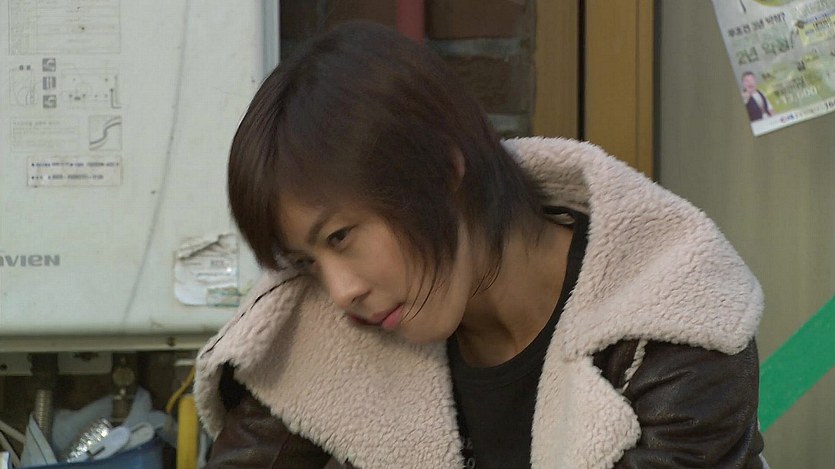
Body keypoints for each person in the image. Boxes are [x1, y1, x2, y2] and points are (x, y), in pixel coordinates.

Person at [194, 22, 766, 468]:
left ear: (442, 172)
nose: (342, 292)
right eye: (307, 262)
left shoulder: (670, 328)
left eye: (341, 237)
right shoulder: (328, 329)